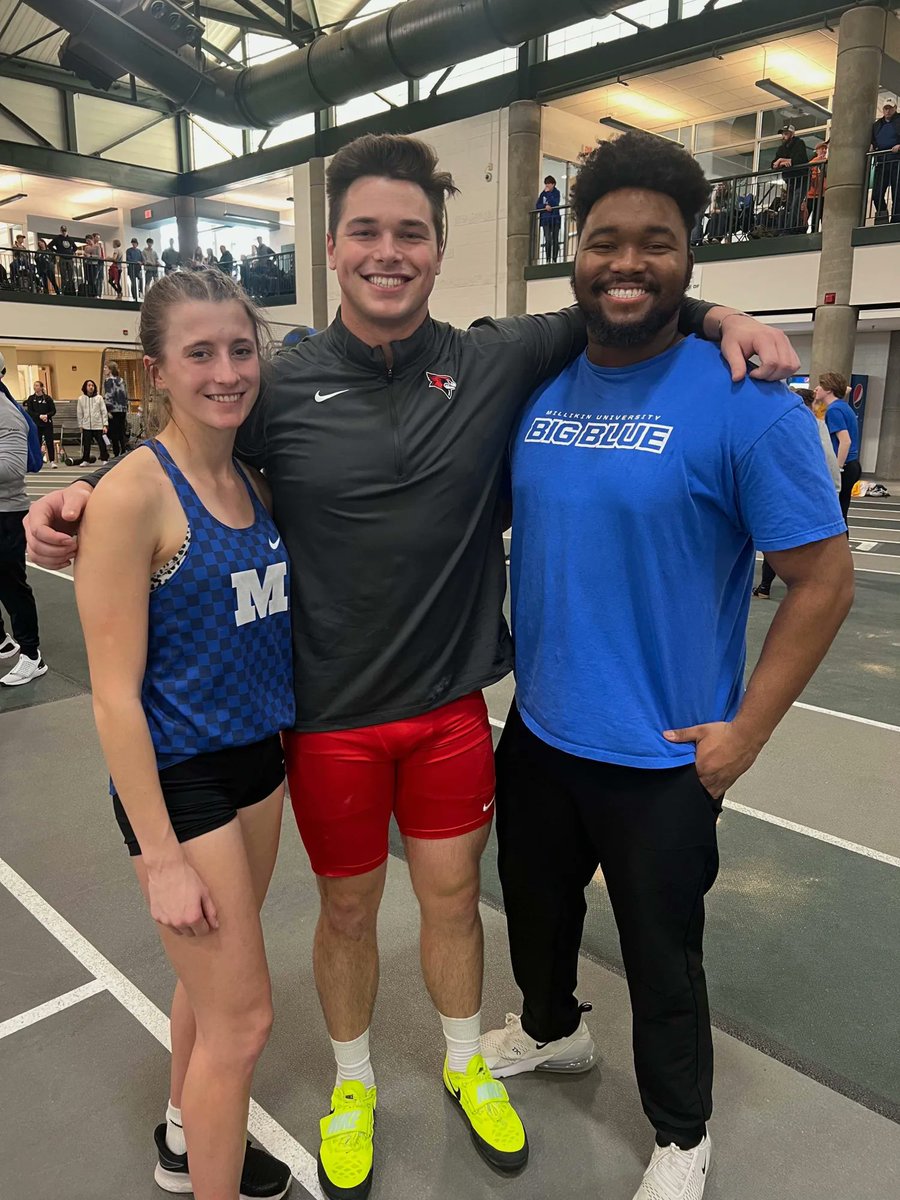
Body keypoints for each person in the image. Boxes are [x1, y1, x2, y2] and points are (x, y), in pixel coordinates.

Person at [22, 132, 798, 1200]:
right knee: (346, 913)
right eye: (367, 232)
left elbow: (632, 291)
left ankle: (467, 1059)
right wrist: (84, 496)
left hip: (448, 716)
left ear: (437, 248)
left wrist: (729, 317)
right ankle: (352, 1087)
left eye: (413, 233)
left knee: (450, 904)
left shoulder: (493, 358)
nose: (391, 252)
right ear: (332, 246)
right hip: (330, 720)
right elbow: (184, 443)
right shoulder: (277, 382)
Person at [480, 131, 854, 1200]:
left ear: (691, 257)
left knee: (662, 958)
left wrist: (746, 731)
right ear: (575, 254)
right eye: (605, 241)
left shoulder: (746, 402)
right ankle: (553, 1033)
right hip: (542, 731)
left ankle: (682, 1135)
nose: (627, 262)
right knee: (537, 913)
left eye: (656, 242)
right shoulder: (543, 385)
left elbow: (824, 584)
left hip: (666, 752)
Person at [72, 269, 294, 1200]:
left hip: (258, 764)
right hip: (180, 781)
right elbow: (113, 699)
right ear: (158, 370)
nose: (225, 370)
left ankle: (181, 1135)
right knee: (243, 1024)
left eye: (239, 349)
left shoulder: (252, 477)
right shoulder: (133, 496)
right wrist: (159, 855)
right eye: (199, 353)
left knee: (209, 995)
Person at [754, 386, 840, 598]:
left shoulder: (785, 423)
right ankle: (769, 586)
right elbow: (830, 460)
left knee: (782, 545)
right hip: (802, 493)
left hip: (792, 492)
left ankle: (766, 586)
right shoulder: (813, 424)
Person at [0, 361, 48, 687]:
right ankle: (3, 642)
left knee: (11, 585)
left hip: (5, 513)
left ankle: (32, 656)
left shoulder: (7, 413)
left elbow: (13, 467)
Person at [817, 371, 861, 527]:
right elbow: (846, 389)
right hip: (853, 464)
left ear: (828, 389)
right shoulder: (843, 406)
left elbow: (845, 441)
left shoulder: (834, 410)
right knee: (842, 511)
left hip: (845, 465)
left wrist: (837, 469)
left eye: (820, 385)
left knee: (837, 514)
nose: (816, 389)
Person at [771, 124, 810, 235]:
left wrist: (782, 160)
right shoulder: (781, 148)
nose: (783, 136)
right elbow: (773, 164)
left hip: (802, 179)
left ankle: (789, 230)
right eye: (783, 134)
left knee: (795, 204)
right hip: (791, 180)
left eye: (786, 133)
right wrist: (782, 162)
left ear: (792, 134)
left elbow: (799, 160)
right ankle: (793, 228)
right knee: (790, 205)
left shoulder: (799, 143)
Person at [869, 98, 900, 222]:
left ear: (895, 108)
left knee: (897, 192)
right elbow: (873, 140)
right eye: (886, 108)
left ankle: (896, 220)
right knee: (877, 193)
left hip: (896, 160)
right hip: (881, 161)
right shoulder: (877, 125)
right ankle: (882, 217)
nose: (888, 111)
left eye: (890, 108)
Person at [24, 380, 57, 469]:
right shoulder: (31, 398)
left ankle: (52, 461)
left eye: (37, 385)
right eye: (34, 386)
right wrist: (39, 416)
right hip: (36, 424)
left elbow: (53, 411)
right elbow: (30, 411)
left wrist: (47, 415)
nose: (35, 387)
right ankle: (37, 461)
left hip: (47, 424)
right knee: (36, 442)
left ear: (42, 387)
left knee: (49, 442)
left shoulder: (47, 398)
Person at [77, 379, 109, 466]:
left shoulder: (99, 398)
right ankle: (86, 460)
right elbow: (80, 413)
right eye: (89, 385)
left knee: (101, 443)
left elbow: (104, 411)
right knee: (86, 444)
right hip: (86, 425)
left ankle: (104, 458)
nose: (91, 387)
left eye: (92, 385)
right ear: (85, 387)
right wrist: (80, 425)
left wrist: (105, 425)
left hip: (98, 425)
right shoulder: (81, 399)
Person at [103, 362, 129, 456]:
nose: (104, 370)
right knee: (121, 431)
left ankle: (116, 452)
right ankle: (123, 450)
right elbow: (125, 394)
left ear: (110, 369)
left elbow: (109, 395)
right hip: (122, 409)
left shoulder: (108, 381)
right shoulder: (121, 380)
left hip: (113, 410)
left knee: (114, 433)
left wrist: (107, 409)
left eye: (106, 368)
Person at [535, 175, 562, 263]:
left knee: (555, 239)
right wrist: (544, 206)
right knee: (548, 240)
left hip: (555, 219)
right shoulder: (543, 194)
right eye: (546, 184)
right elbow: (537, 205)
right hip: (546, 220)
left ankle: (554, 259)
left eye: (549, 184)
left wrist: (549, 194)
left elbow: (555, 203)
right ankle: (547, 259)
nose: (547, 186)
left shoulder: (556, 192)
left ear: (553, 184)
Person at [806, 141, 828, 233]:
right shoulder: (814, 162)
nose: (824, 150)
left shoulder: (826, 161)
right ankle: (807, 230)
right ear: (817, 150)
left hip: (821, 194)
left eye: (825, 149)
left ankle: (815, 232)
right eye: (822, 148)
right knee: (807, 215)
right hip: (811, 194)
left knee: (818, 215)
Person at [49, 224, 77, 293]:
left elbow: (75, 247)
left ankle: (71, 289)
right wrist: (57, 252)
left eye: (65, 231)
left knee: (71, 275)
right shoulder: (57, 238)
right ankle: (64, 289)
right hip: (62, 258)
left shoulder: (70, 239)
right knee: (63, 275)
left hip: (69, 258)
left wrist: (72, 253)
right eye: (63, 231)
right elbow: (50, 245)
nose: (64, 232)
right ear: (61, 231)